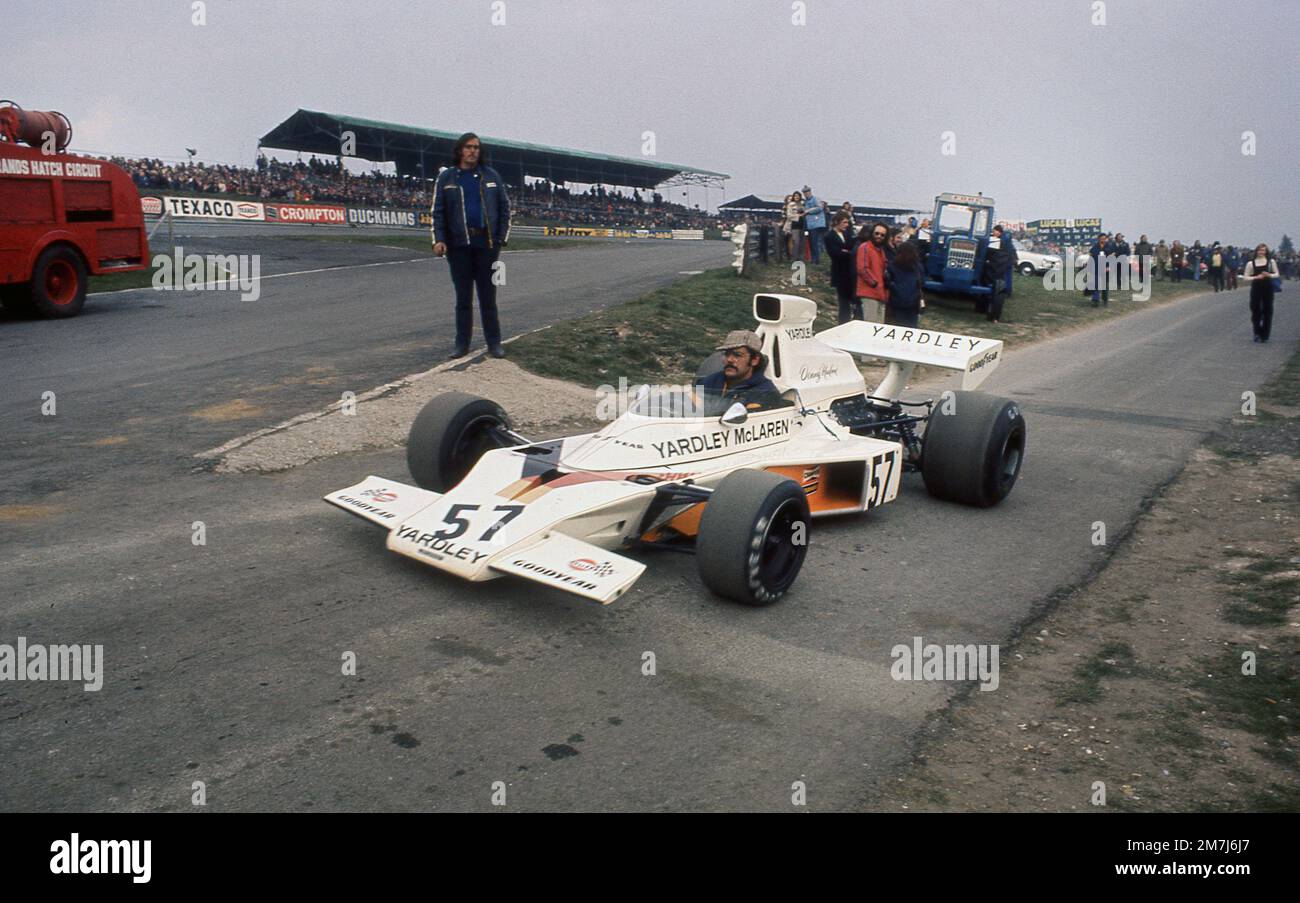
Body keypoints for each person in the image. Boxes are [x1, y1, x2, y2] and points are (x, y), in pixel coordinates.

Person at [432, 132, 511, 358]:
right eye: (468, 147)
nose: (472, 151)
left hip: (486, 245)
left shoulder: (491, 175)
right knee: (463, 299)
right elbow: (438, 212)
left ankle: (494, 343)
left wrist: (500, 239)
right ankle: (461, 344)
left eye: (476, 147)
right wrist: (438, 239)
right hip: (458, 246)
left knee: (488, 298)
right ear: (460, 150)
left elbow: (505, 209)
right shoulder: (447, 178)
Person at [696, 330, 780, 411]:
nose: (729, 359)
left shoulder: (766, 392)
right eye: (727, 354)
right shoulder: (707, 382)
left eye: (737, 355)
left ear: (755, 360)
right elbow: (690, 409)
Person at [824, 212, 861, 323]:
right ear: (837, 222)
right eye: (844, 222)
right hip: (840, 273)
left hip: (849, 272)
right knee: (844, 303)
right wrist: (848, 252)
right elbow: (835, 254)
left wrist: (845, 251)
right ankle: (843, 323)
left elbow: (848, 248)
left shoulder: (846, 234)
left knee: (852, 300)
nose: (846, 225)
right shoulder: (829, 236)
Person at [856, 222, 890, 323]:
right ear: (872, 233)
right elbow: (862, 269)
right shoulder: (865, 247)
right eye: (877, 233)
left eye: (882, 235)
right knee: (870, 326)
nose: (879, 236)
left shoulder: (881, 251)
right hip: (869, 292)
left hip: (881, 294)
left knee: (879, 327)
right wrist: (874, 283)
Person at [884, 240, 924, 327]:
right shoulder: (918, 267)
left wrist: (893, 286)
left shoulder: (893, 265)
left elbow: (886, 282)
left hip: (896, 303)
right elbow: (922, 283)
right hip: (913, 305)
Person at [1244, 244, 1278, 342]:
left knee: (1268, 310)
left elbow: (1277, 274)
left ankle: (1265, 335)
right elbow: (1246, 277)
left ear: (1266, 251)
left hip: (1268, 287)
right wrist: (1255, 277)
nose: (1261, 252)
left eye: (1263, 250)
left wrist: (1269, 275)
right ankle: (1257, 331)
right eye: (1259, 250)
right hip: (1256, 287)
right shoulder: (1251, 263)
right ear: (1256, 251)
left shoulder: (1271, 262)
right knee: (1255, 309)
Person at [991, 224, 1018, 298]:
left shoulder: (1002, 240)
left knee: (1005, 276)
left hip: (1005, 261)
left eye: (994, 231)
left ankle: (1006, 292)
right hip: (1009, 260)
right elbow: (1013, 249)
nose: (993, 233)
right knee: (1008, 276)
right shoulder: (1007, 238)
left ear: (998, 231)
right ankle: (1008, 291)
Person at [803, 186, 827, 264]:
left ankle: (816, 260)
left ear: (810, 192)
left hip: (816, 224)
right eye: (805, 193)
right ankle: (814, 259)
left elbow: (820, 208)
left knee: (814, 242)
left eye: (807, 192)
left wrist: (808, 211)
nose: (806, 194)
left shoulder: (816, 199)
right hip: (810, 224)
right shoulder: (805, 202)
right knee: (811, 242)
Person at [1089, 232, 1112, 306]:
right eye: (1101, 238)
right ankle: (1095, 300)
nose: (1103, 240)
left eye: (1104, 238)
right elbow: (1091, 256)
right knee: (1096, 285)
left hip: (1105, 269)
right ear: (1099, 239)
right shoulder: (1095, 247)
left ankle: (1105, 300)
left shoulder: (1108, 247)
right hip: (1096, 268)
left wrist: (1108, 266)